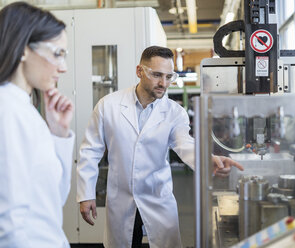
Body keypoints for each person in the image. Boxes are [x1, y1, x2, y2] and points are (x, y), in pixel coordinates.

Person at [77, 45, 243, 247]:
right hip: (120, 197)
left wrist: (208, 160)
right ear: (139, 71)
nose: (163, 83)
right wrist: (86, 194)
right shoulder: (108, 105)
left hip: (157, 197)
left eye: (168, 77)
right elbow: (90, 151)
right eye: (156, 75)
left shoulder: (174, 112)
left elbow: (185, 143)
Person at [0, 2, 74, 247]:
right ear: (23, 49)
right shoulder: (7, 110)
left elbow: (53, 198)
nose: (62, 67)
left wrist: (59, 134)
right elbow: (7, 222)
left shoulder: (25, 108)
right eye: (57, 53)